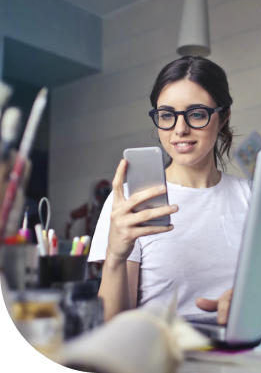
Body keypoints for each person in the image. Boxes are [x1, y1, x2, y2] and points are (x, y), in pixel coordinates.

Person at [88, 56, 251, 323]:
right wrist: (115, 256)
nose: (180, 129)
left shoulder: (253, 197)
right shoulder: (131, 201)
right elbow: (113, 327)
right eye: (167, 115)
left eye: (197, 114)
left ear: (223, 118)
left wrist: (248, 303)